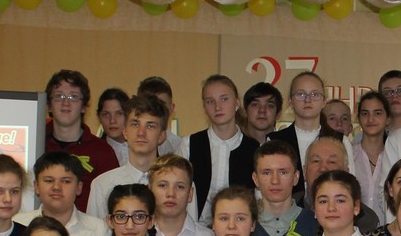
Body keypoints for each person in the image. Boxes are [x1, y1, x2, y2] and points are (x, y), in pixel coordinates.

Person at [24, 151, 111, 236]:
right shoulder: (19, 224)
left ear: (79, 188)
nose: (56, 187)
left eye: (66, 181)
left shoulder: (99, 229)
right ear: (36, 186)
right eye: (49, 180)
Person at [86, 93, 171, 232]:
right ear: (125, 132)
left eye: (150, 126)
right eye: (135, 124)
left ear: (162, 136)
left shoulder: (178, 186)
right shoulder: (102, 185)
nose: (141, 133)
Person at [44, 69, 119, 211]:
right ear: (49, 105)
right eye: (59, 96)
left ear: (84, 106)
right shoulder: (34, 144)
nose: (66, 103)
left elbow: (114, 204)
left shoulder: (103, 152)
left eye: (73, 97)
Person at [188, 74, 256, 220]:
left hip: (239, 226)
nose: (217, 107)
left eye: (224, 99)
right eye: (210, 101)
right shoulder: (189, 144)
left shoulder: (254, 148)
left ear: (237, 103)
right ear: (204, 107)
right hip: (196, 227)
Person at [250, 138, 316, 236]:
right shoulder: (242, 226)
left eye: (283, 172)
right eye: (267, 173)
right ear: (256, 179)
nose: (275, 181)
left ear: (296, 177)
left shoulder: (316, 225)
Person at [149, 154, 212, 236]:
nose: (171, 194)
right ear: (149, 190)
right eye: (163, 185)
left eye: (180, 187)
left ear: (190, 194)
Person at [304, 132, 378, 231]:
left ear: (346, 172)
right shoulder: (290, 210)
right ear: (304, 171)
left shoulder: (366, 220)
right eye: (316, 161)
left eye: (332, 162)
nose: (323, 168)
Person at [268, 70, 328, 191]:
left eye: (315, 94)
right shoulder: (274, 140)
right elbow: (266, 184)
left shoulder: (339, 140)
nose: (308, 100)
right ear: (290, 101)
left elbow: (349, 185)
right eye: (300, 94)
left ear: (324, 101)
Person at [353, 90, 391, 221]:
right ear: (358, 118)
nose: (370, 119)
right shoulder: (349, 155)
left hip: (387, 230)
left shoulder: (394, 157)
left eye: (377, 113)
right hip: (354, 230)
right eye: (365, 113)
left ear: (388, 119)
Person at [134, 74, 187, 158]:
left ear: (171, 108)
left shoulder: (181, 147)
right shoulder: (130, 144)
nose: (155, 110)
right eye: (149, 105)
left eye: (161, 105)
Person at [96, 87, 130, 164]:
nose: (112, 121)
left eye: (119, 113)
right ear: (99, 117)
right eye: (106, 114)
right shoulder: (94, 153)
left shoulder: (145, 148)